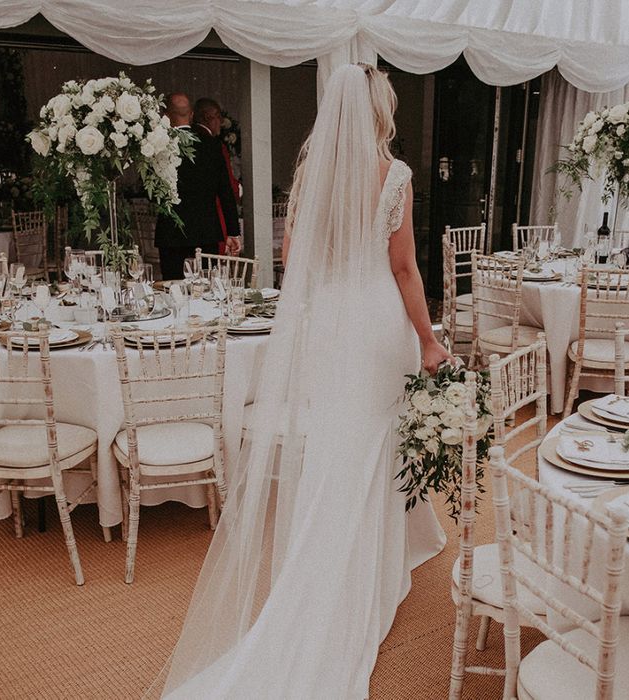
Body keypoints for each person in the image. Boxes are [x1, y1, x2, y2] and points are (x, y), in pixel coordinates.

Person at [157, 64, 452, 699]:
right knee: (374, 445)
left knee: (339, 449)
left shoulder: (313, 175)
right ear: (377, 108)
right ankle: (366, 574)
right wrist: (429, 338)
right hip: (377, 324)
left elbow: (296, 260)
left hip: (333, 328)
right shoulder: (392, 174)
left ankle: (349, 562)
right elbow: (404, 270)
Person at [154, 94, 239, 280]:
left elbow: (152, 193)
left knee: (174, 290)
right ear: (191, 115)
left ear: (166, 115)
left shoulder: (159, 146)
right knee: (206, 291)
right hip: (206, 233)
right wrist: (233, 231)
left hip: (172, 234)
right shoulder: (213, 146)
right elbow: (225, 191)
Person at [192, 97, 241, 256]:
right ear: (207, 117)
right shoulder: (215, 146)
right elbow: (228, 187)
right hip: (213, 216)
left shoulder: (183, 140)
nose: (220, 121)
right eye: (218, 116)